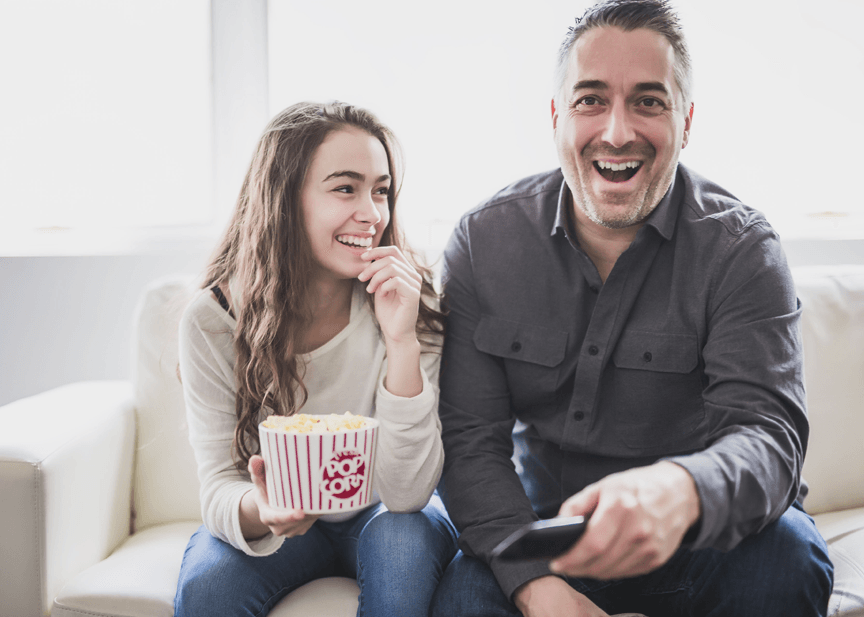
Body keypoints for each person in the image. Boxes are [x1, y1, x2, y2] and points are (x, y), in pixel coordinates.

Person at [430, 1, 833, 616]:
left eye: (649, 101)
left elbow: (769, 436)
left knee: (787, 555)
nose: (617, 132)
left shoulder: (743, 250)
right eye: (591, 99)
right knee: (463, 596)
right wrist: (540, 590)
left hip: (701, 542)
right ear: (557, 116)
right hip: (546, 544)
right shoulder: (483, 242)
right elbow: (468, 443)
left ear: (687, 120)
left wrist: (682, 491)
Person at [173, 101, 458, 617]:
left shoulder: (412, 302)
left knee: (404, 544)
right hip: (282, 524)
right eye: (345, 188)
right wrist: (263, 510)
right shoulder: (212, 320)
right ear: (285, 200)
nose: (372, 214)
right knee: (209, 587)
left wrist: (401, 340)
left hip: (384, 513)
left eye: (381, 190)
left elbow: (407, 492)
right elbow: (217, 484)